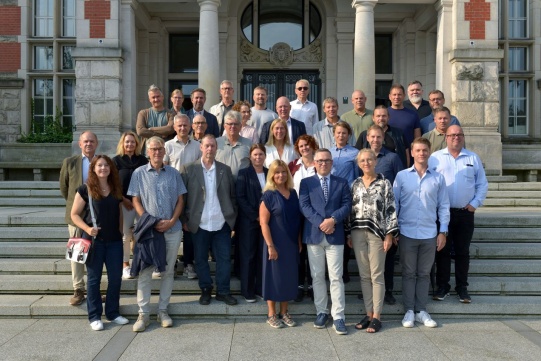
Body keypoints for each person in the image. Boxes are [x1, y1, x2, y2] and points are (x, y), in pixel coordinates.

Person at [128, 136, 186, 332]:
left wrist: (171, 221)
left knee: (167, 272)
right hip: (148, 231)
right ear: (147, 152)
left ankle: (163, 310)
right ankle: (143, 314)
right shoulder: (138, 173)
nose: (157, 152)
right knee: (145, 272)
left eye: (160, 149)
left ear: (164, 151)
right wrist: (148, 220)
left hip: (172, 229)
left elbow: (180, 200)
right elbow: (135, 199)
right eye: (153, 149)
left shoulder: (174, 173)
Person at [393, 137, 450, 329]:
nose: (421, 153)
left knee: (424, 273)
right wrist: (393, 231)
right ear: (411, 152)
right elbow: (395, 205)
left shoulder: (438, 178)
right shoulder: (402, 176)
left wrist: (442, 232)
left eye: (425, 150)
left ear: (429, 152)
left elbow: (443, 206)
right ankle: (409, 310)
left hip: (429, 233)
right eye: (418, 150)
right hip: (407, 231)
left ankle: (421, 310)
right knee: (409, 273)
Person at [429, 125, 488, 303]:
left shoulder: (472, 157)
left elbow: (482, 184)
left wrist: (475, 204)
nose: (456, 137)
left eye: (459, 134)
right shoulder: (435, 158)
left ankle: (462, 287)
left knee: (463, 251)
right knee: (442, 251)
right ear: (446, 137)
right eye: (452, 135)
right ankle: (443, 286)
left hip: (464, 213)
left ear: (463, 137)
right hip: (442, 214)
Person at [70, 155, 129, 331]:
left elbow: (119, 212)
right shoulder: (85, 189)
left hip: (114, 242)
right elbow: (74, 214)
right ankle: (94, 316)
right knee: (94, 280)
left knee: (115, 279)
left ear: (111, 169)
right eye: (99, 165)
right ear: (94, 169)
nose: (103, 168)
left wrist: (120, 232)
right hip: (95, 242)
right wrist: (87, 230)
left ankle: (112, 312)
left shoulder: (115, 189)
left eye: (106, 165)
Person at [299, 149, 352, 335]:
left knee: (336, 277)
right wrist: (321, 223)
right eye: (320, 160)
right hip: (314, 236)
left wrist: (333, 220)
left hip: (335, 235)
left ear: (332, 163)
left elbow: (347, 204)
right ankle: (322, 312)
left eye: (327, 160)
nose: (323, 163)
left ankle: (338, 316)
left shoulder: (342, 183)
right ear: (314, 163)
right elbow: (304, 206)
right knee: (317, 276)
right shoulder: (306, 183)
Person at [181, 135, 238, 306]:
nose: (210, 149)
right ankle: (206, 289)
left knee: (224, 259)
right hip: (199, 223)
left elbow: (232, 196)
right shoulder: (188, 169)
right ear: (201, 147)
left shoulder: (225, 170)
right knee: (200, 259)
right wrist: (184, 219)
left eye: (213, 146)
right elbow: (182, 198)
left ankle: (223, 291)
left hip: (221, 222)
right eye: (207, 146)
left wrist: (232, 219)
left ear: (216, 148)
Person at [349, 149, 398, 333]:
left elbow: (391, 209)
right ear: (358, 163)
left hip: (378, 233)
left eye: (369, 159)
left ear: (375, 161)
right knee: (364, 275)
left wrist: (389, 234)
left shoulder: (384, 183)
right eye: (362, 160)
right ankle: (368, 314)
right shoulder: (355, 184)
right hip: (357, 232)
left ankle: (377, 316)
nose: (366, 163)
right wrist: (348, 234)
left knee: (377, 274)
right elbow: (351, 210)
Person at [364, 125, 404, 305]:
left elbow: (401, 187)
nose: (375, 140)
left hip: (387, 217)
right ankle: (370, 291)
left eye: (378, 137)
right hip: (366, 218)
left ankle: (388, 290)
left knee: (387, 257)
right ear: (367, 137)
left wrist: (395, 226)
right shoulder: (363, 158)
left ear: (383, 138)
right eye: (372, 137)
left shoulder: (392, 158)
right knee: (368, 258)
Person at [260, 159, 302, 328]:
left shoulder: (293, 194)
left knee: (288, 277)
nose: (281, 175)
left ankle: (284, 312)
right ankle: (271, 314)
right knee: (273, 278)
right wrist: (270, 246)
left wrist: (298, 241)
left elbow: (297, 219)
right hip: (274, 243)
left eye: (283, 172)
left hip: (291, 242)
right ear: (272, 175)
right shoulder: (268, 195)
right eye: (277, 172)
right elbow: (263, 223)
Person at [60, 131, 98, 306]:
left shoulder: (102, 162)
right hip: (76, 216)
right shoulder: (70, 163)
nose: (88, 144)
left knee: (96, 253)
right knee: (77, 253)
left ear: (96, 144)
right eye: (85, 141)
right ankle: (78, 289)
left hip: (97, 216)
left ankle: (93, 288)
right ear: (80, 144)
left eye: (91, 141)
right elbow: (64, 187)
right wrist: (77, 205)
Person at [164, 114, 202, 280]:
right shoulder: (168, 146)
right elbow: (163, 168)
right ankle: (169, 264)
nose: (182, 128)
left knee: (189, 229)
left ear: (191, 127)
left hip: (192, 193)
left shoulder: (198, 146)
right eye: (179, 125)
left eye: (185, 125)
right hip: (172, 194)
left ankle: (188, 263)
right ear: (174, 127)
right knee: (171, 228)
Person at [112, 131, 148, 279]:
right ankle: (125, 264)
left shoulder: (143, 160)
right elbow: (113, 183)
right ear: (122, 143)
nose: (130, 144)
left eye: (133, 142)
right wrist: (123, 199)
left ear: (137, 144)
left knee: (141, 234)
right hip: (125, 203)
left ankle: (140, 262)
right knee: (126, 236)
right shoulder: (116, 161)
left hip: (141, 203)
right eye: (127, 142)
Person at [288, 135, 319, 302]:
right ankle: (300, 285)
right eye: (301, 146)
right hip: (297, 212)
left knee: (313, 249)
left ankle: (315, 285)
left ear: (313, 146)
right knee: (299, 250)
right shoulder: (293, 166)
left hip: (315, 213)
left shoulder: (320, 163)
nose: (304, 148)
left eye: (307, 145)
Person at [236, 144, 268, 302]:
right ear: (250, 156)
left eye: (261, 154)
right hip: (249, 222)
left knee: (263, 256)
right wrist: (256, 216)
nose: (258, 157)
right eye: (255, 154)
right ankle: (247, 291)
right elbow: (240, 197)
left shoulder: (270, 173)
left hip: (268, 223)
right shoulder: (244, 173)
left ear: (265, 156)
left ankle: (260, 288)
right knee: (248, 256)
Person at [387, 84, 421, 165]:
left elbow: (417, 138)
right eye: (394, 94)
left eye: (399, 94)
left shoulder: (413, 114)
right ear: (389, 96)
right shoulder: (384, 114)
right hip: (388, 154)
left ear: (404, 96)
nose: (396, 97)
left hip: (408, 155)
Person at [216, 110, 252, 180]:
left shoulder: (249, 144)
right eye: (230, 124)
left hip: (242, 184)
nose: (233, 126)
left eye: (236, 124)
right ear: (224, 126)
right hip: (221, 185)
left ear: (240, 126)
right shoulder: (216, 143)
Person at [330, 121, 359, 187]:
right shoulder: (329, 152)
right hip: (331, 189)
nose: (341, 135)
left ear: (348, 135)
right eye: (338, 133)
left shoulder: (355, 153)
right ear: (334, 134)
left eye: (344, 133)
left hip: (347, 190)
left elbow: (357, 175)